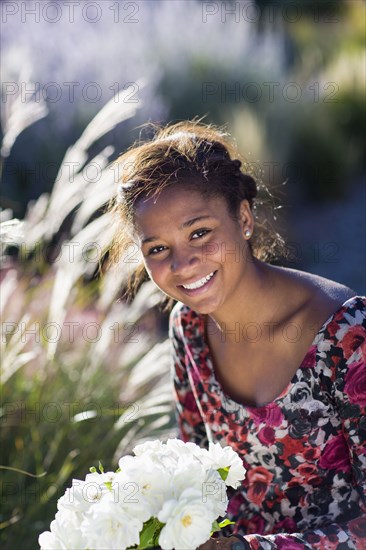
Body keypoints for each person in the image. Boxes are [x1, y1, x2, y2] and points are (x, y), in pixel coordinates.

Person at [109, 120, 366, 549]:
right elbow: (194, 476)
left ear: (243, 218)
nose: (184, 262)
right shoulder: (188, 329)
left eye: (200, 232)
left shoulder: (347, 336)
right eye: (157, 248)